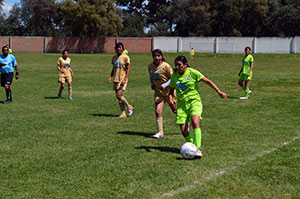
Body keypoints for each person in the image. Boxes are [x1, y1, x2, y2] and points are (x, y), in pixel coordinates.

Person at [169, 55, 227, 158]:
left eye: (179, 65)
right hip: (182, 105)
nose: (177, 67)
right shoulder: (174, 76)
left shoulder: (193, 73)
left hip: (194, 102)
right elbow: (170, 91)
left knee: (195, 121)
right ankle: (192, 146)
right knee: (183, 130)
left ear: (185, 65)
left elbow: (207, 81)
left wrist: (218, 91)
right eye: (176, 65)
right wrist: (171, 101)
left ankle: (198, 149)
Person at [148, 49, 174, 139]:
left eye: (158, 56)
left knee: (175, 110)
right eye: (155, 56)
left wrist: (165, 85)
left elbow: (173, 78)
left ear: (161, 56)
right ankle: (160, 132)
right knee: (158, 112)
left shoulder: (166, 66)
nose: (156, 58)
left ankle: (187, 123)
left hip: (169, 93)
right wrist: (152, 84)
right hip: (158, 93)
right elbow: (151, 77)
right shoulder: (150, 67)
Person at [107, 42, 133, 118]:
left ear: (122, 48)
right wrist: (110, 77)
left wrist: (125, 79)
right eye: (117, 47)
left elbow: (128, 69)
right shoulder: (114, 58)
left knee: (118, 95)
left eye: (120, 47)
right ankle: (123, 113)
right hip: (115, 79)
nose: (118, 49)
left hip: (122, 79)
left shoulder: (125, 57)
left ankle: (129, 106)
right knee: (119, 97)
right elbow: (113, 68)